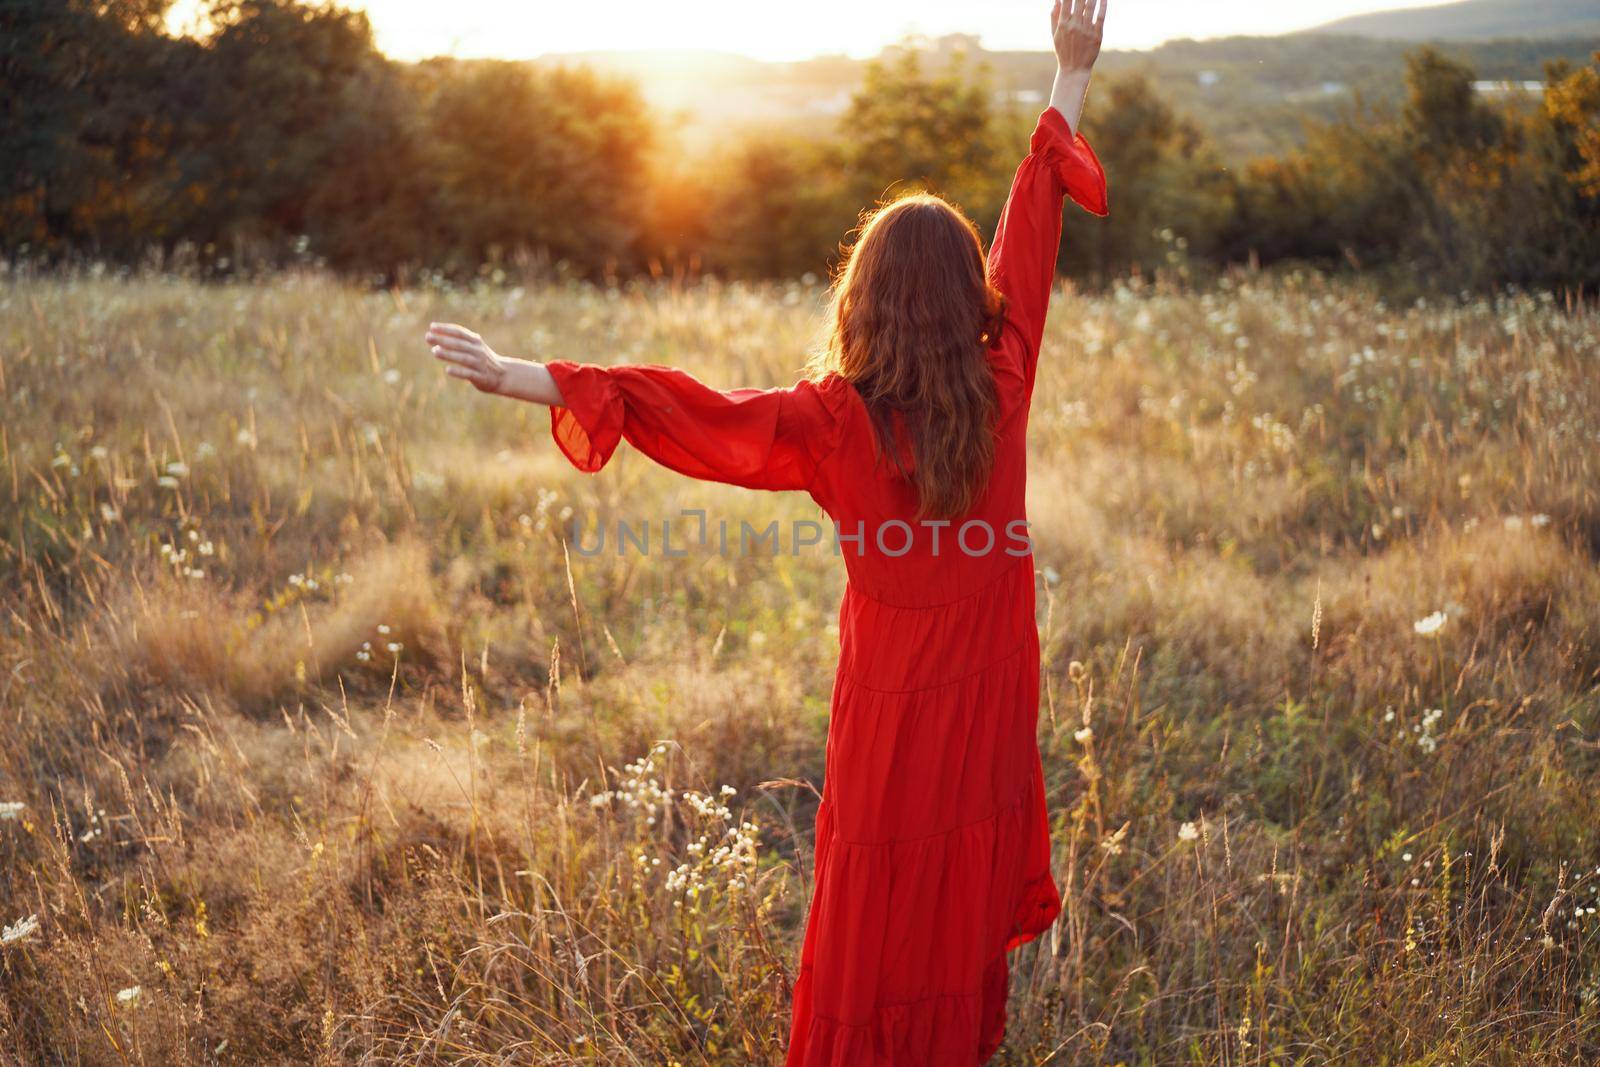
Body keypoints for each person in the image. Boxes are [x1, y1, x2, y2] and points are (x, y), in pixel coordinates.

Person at [425, 1, 1107, 1060]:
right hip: (987, 680)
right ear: (963, 293)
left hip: (890, 698)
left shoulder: (832, 420)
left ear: (866, 298)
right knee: (951, 878)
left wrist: (523, 375)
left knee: (876, 887)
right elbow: (1032, 223)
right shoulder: (1001, 378)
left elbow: (689, 412)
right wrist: (1071, 72)